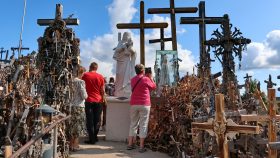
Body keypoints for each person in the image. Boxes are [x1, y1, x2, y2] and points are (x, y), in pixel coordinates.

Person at [127, 64, 156, 153]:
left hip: (134, 103)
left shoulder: (132, 80)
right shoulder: (146, 79)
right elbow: (154, 87)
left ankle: (130, 144)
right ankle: (141, 146)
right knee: (143, 124)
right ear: (143, 71)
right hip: (144, 104)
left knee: (133, 124)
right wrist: (150, 77)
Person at [82, 62, 105, 144]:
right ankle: (95, 137)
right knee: (97, 120)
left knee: (90, 120)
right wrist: (103, 99)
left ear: (90, 67)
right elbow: (102, 90)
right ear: (97, 68)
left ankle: (91, 139)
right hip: (98, 100)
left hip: (89, 100)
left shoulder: (85, 75)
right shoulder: (100, 76)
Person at [68, 66, 87, 151]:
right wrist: (87, 95)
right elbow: (84, 95)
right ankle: (76, 145)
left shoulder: (70, 81)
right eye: (83, 73)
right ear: (80, 72)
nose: (83, 75)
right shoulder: (81, 82)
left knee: (72, 126)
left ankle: (71, 145)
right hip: (79, 106)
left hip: (71, 106)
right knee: (78, 126)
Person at [113, 32, 136, 97]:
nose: (126, 36)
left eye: (127, 35)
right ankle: (118, 90)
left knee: (127, 75)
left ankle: (126, 90)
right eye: (125, 35)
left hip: (126, 62)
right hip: (120, 63)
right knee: (119, 75)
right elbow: (117, 51)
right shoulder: (120, 42)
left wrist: (130, 46)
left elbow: (133, 52)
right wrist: (122, 48)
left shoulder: (130, 43)